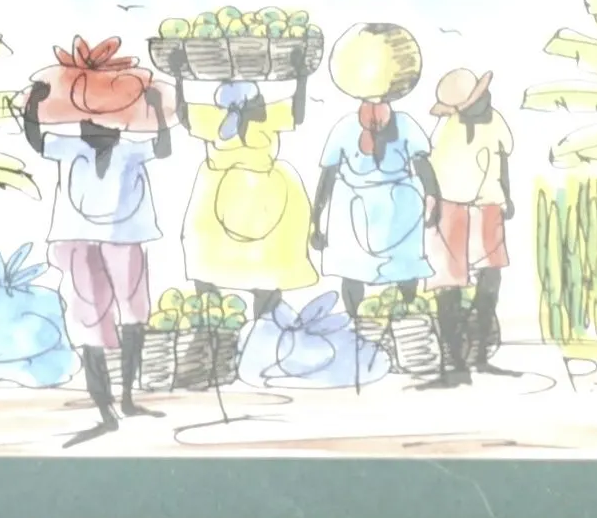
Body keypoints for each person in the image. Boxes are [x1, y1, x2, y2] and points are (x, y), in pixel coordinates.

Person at [23, 37, 173, 444]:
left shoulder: (131, 151)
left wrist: (157, 111)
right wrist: (33, 105)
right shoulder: (69, 147)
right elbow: (36, 140)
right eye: (87, 118)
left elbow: (163, 148)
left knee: (134, 315)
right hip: (78, 240)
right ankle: (106, 408)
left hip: (126, 236)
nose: (93, 125)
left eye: (101, 118)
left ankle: (126, 398)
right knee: (90, 323)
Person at [311, 27, 437, 326]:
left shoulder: (406, 125)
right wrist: (315, 220)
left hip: (400, 210)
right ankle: (357, 324)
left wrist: (434, 199)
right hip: (351, 211)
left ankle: (407, 321)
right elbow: (327, 175)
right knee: (352, 270)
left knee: (406, 269)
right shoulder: (344, 128)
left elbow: (423, 165)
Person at [170, 67, 316, 321]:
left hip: (260, 196)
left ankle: (264, 325)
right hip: (224, 195)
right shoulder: (219, 118)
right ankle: (215, 323)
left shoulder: (262, 117)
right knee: (207, 257)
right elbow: (184, 115)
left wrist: (301, 77)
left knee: (266, 266)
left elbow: (297, 113)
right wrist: (179, 78)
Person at [420, 68, 515, 385]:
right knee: (448, 285)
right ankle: (455, 363)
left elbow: (502, 159)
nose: (486, 99)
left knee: (491, 279)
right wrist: (432, 204)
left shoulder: (497, 121)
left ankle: (480, 355)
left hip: (488, 205)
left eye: (483, 94)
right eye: (478, 97)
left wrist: (507, 196)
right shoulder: (446, 130)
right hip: (449, 208)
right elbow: (429, 167)